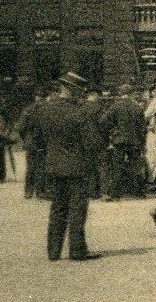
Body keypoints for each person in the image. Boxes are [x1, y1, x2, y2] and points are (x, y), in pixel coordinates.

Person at [33, 71, 106, 261]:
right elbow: (93, 142)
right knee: (77, 209)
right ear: (71, 89)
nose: (81, 94)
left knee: (57, 207)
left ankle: (53, 251)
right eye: (79, 91)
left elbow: (37, 139)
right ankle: (77, 250)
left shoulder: (45, 109)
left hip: (54, 165)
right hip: (78, 167)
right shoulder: (79, 112)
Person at [105, 84, 147, 200]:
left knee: (117, 166)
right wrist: (141, 141)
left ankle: (114, 194)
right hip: (134, 141)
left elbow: (104, 121)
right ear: (131, 93)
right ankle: (139, 192)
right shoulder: (137, 107)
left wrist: (114, 131)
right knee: (136, 165)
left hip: (120, 141)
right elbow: (143, 127)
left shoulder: (115, 106)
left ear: (120, 93)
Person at [14, 87, 50, 200]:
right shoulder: (47, 109)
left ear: (35, 97)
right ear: (45, 97)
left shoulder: (27, 110)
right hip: (43, 142)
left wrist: (25, 138)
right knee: (42, 166)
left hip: (30, 142)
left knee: (30, 167)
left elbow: (20, 127)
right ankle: (40, 191)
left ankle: (28, 191)